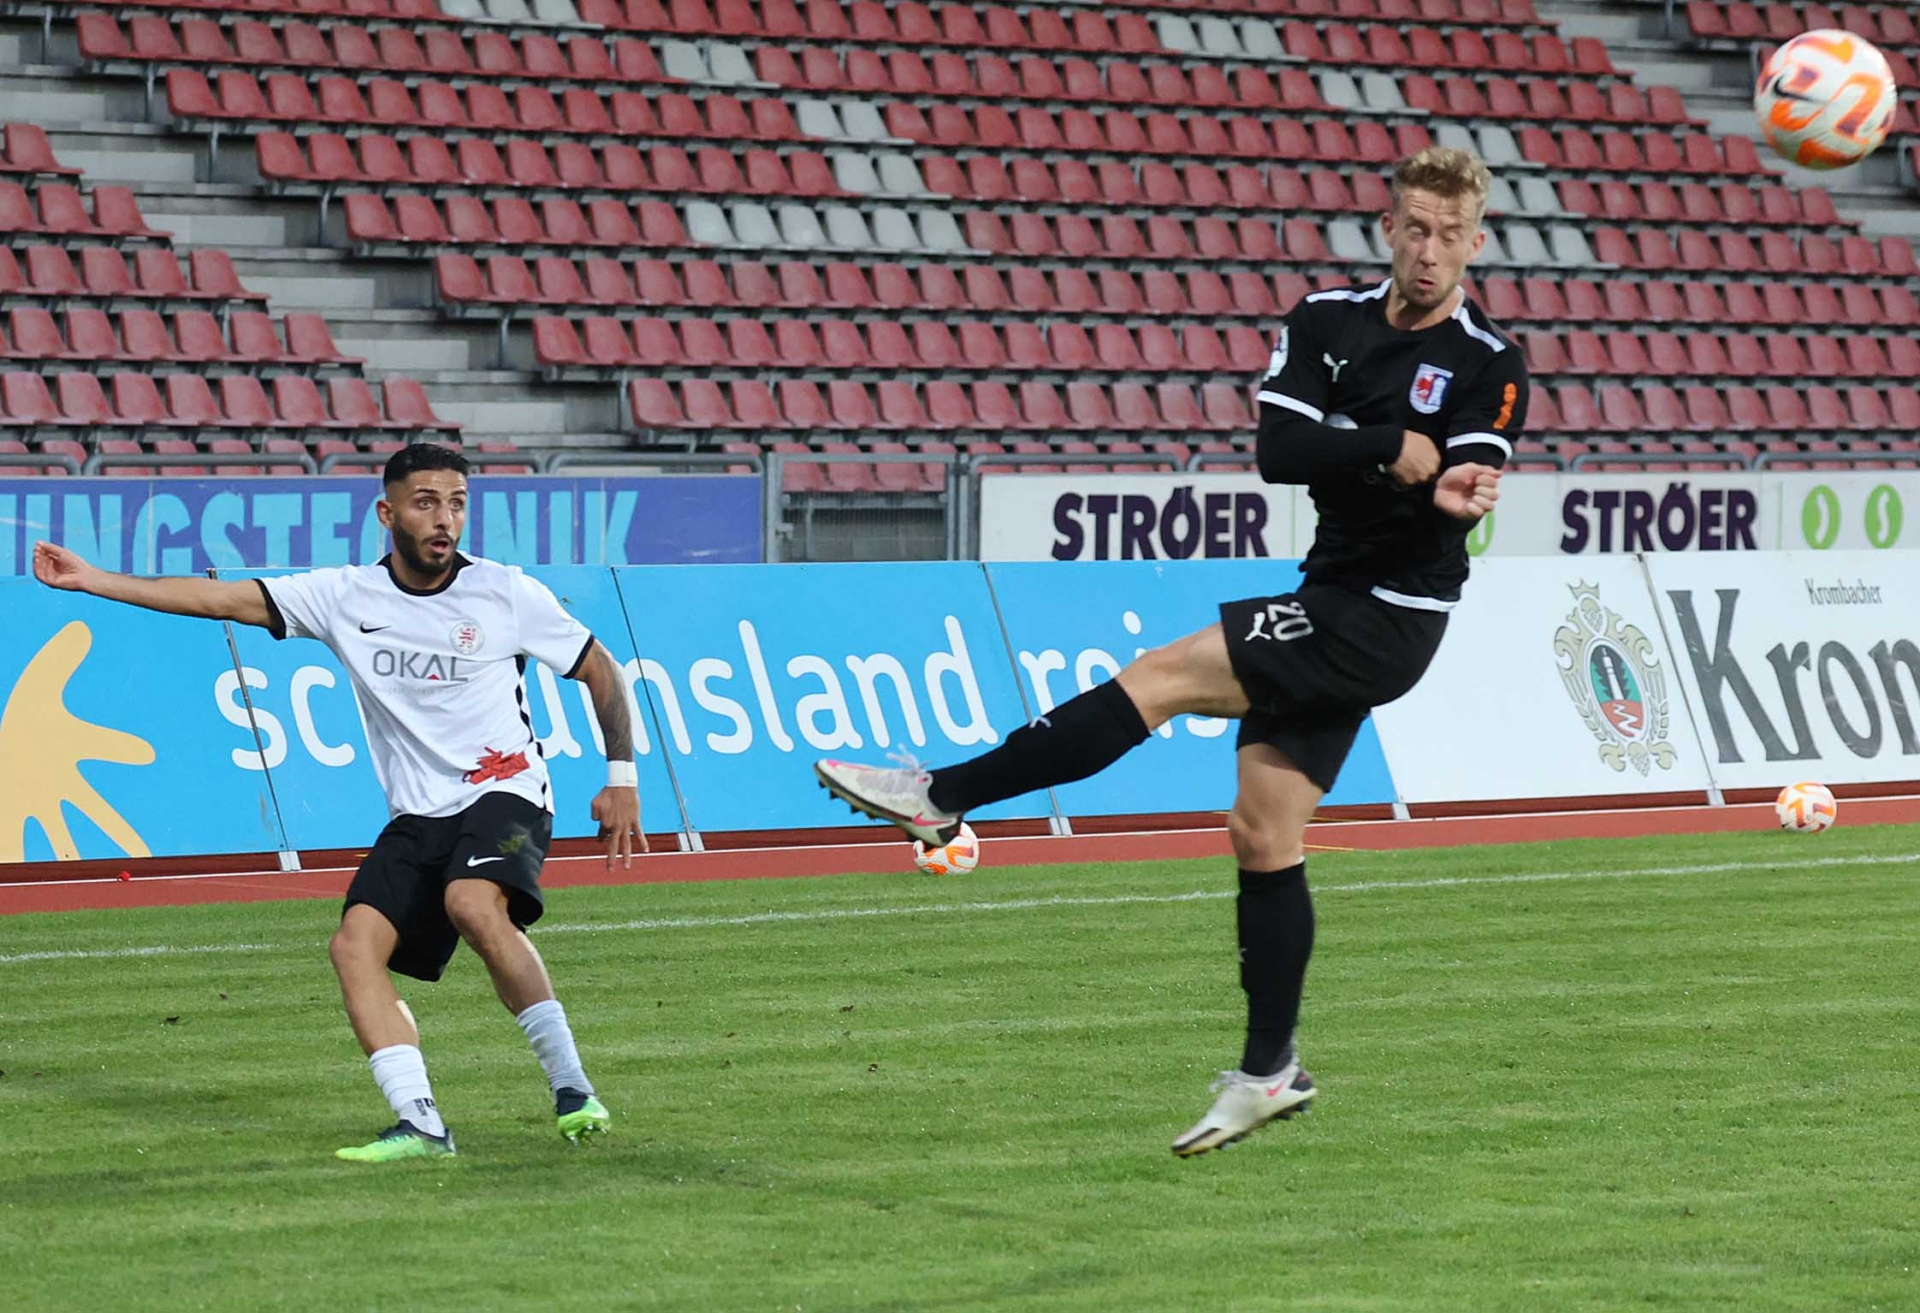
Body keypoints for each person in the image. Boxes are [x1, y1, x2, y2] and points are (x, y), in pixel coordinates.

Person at [814, 147, 1524, 1157]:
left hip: (1391, 612)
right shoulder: (1328, 321)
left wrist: (1451, 482)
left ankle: (943, 792)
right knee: (1262, 832)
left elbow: (1466, 469)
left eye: (1450, 234)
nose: (1429, 250)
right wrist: (1385, 448)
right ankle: (1270, 1069)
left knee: (1162, 676)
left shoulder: (1491, 357)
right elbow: (1279, 452)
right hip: (1333, 592)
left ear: (1477, 241)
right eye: (1414, 226)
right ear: (1388, 228)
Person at [32, 443, 647, 1162]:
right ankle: (421, 1123)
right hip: (417, 813)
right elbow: (218, 599)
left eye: (455, 502)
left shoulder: (506, 592)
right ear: (387, 513)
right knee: (354, 945)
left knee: (473, 903)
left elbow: (599, 667)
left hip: (505, 789)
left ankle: (573, 1088)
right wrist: (94, 578)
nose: (444, 518)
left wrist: (622, 776)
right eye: (425, 502)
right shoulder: (344, 595)